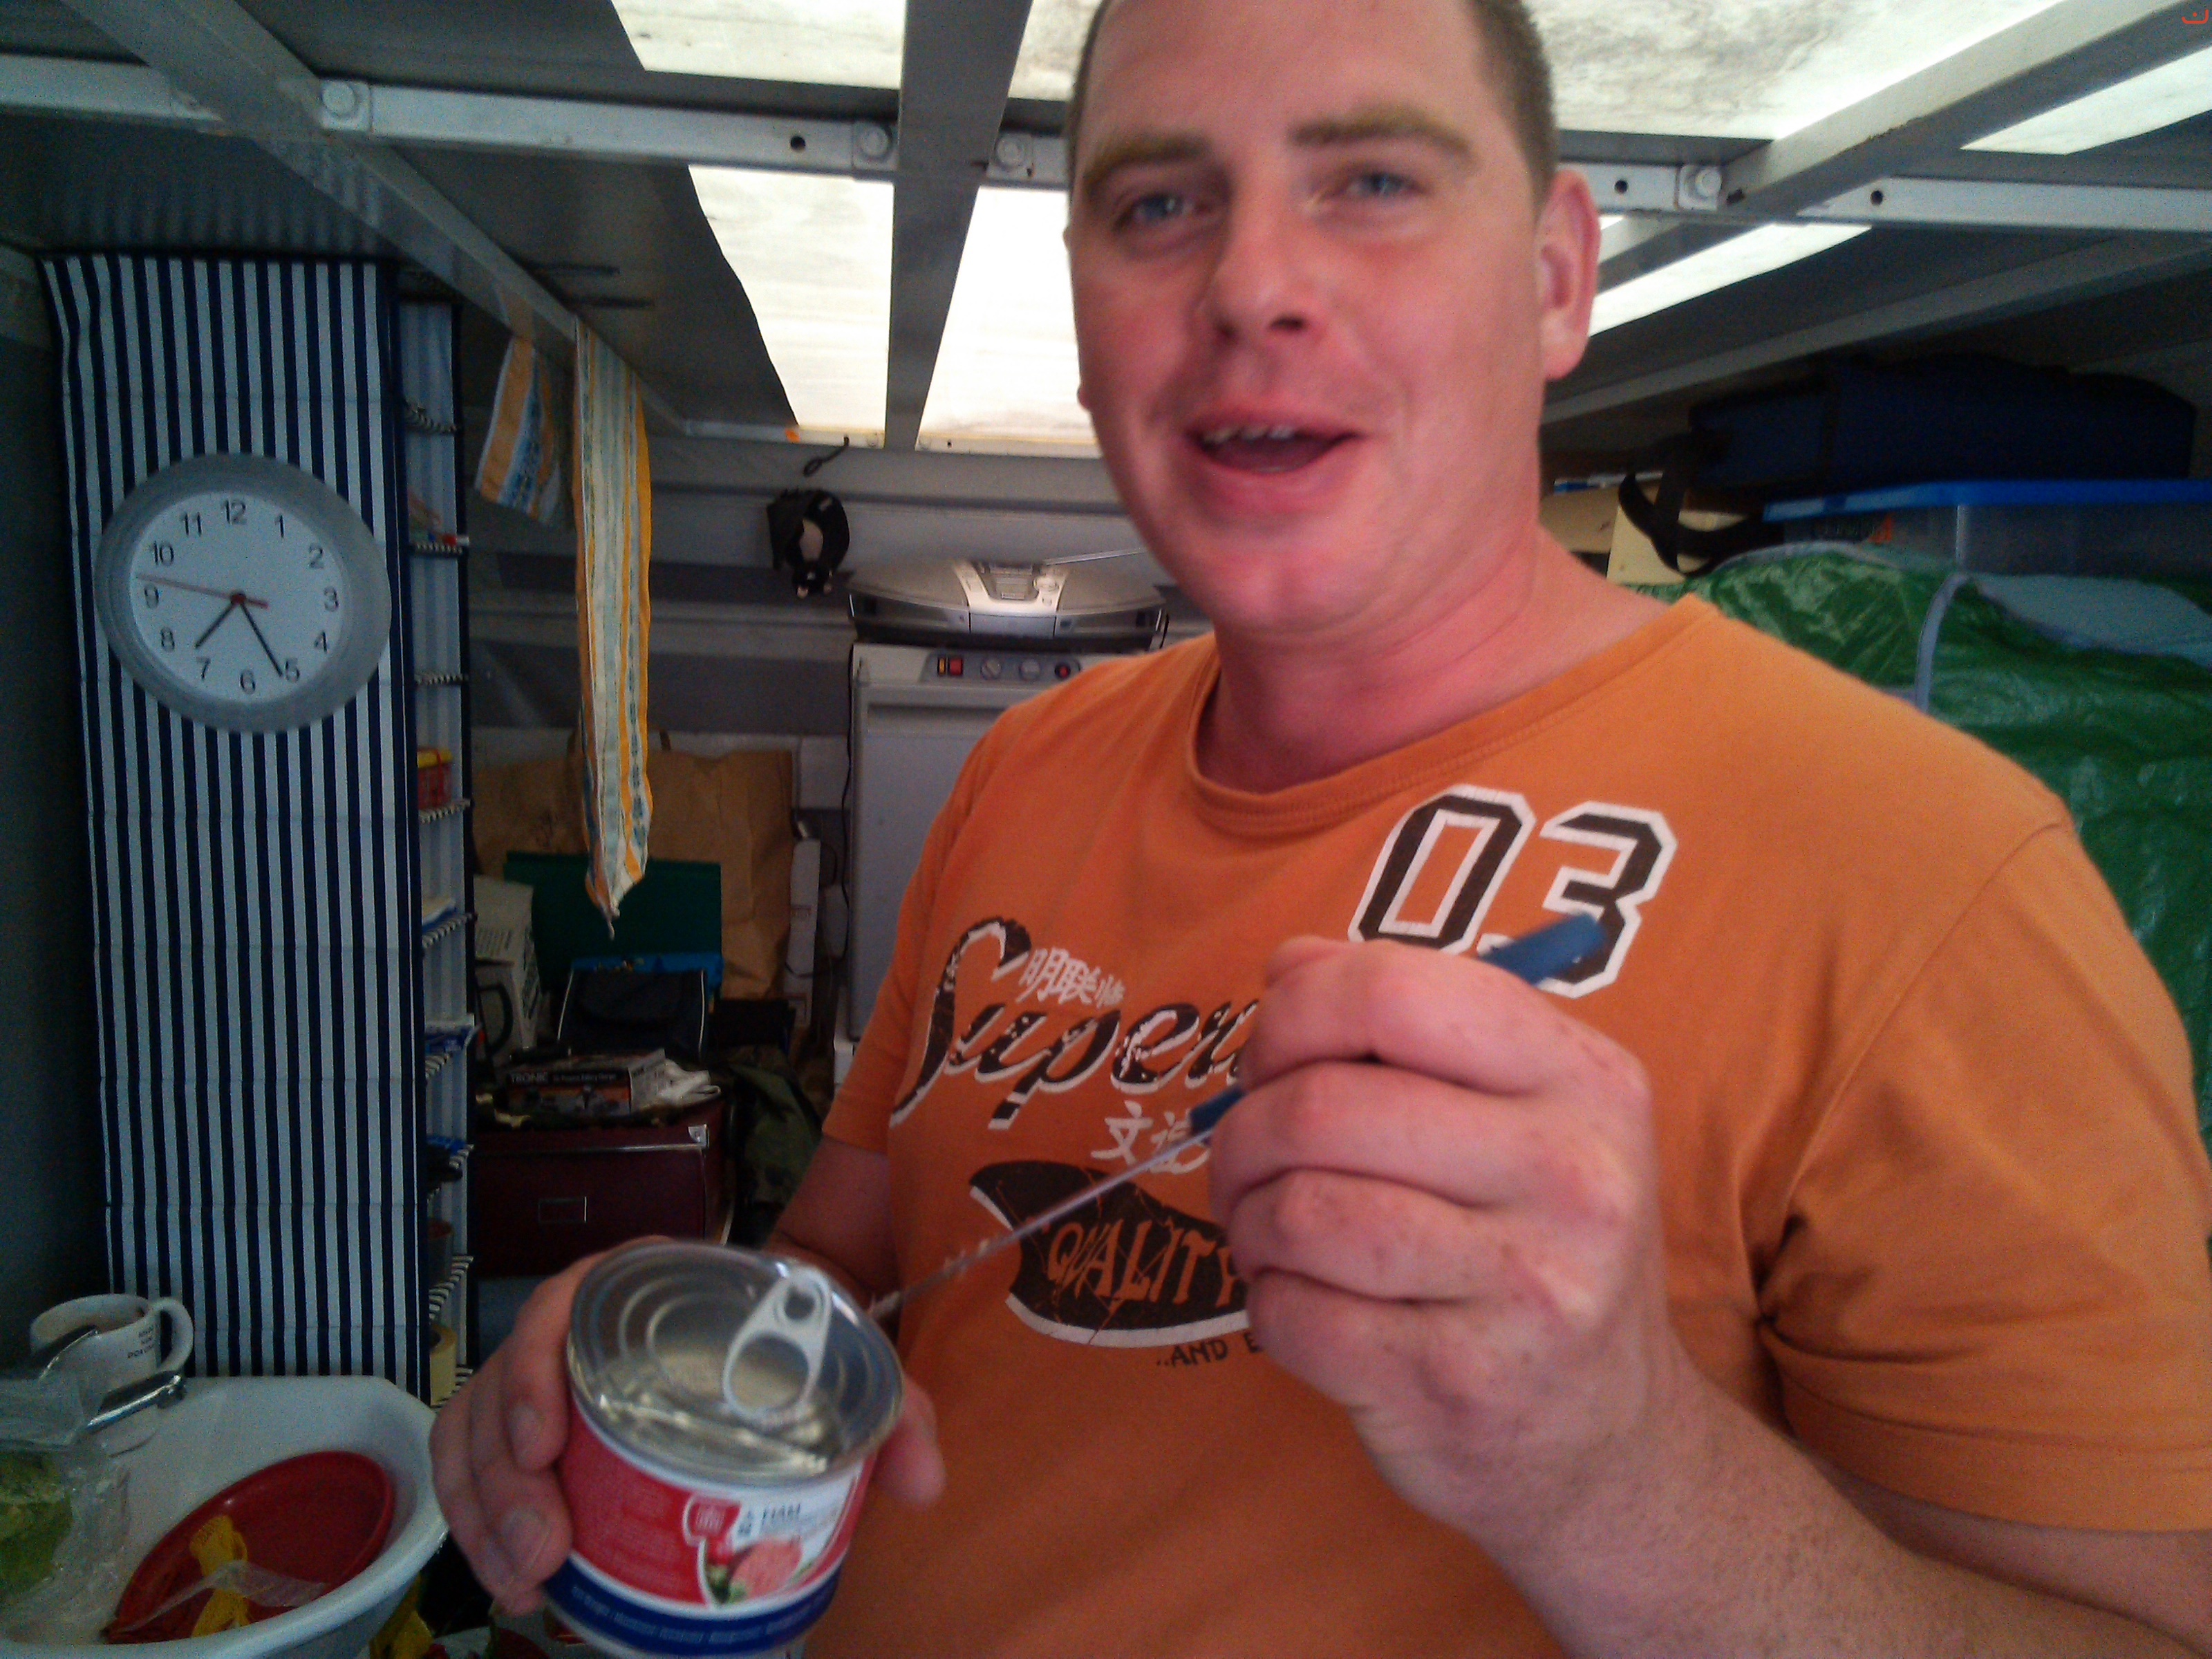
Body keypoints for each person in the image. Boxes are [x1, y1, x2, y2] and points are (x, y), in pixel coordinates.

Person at [432, 0, 2212, 1651]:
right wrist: (657, 1360)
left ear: (1555, 279)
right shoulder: (1024, 769)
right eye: (1157, 205)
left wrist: (1623, 1481)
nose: (1253, 286)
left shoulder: (1932, 882)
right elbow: (848, 1265)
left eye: (1370, 181)